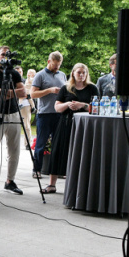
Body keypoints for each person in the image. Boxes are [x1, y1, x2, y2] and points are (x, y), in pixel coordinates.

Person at [41, 63, 98, 194]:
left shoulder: (92, 88)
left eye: (84, 72)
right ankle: (51, 184)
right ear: (73, 73)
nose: (81, 75)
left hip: (84, 126)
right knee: (58, 151)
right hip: (65, 123)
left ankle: (78, 185)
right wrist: (67, 104)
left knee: (80, 153)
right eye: (79, 72)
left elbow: (97, 108)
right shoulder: (66, 88)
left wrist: (82, 105)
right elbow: (57, 107)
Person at [0, 46, 27, 195]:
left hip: (14, 113)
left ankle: (10, 181)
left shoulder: (14, 73)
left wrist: (1, 91)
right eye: (2, 54)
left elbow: (23, 92)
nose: (5, 57)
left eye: (7, 55)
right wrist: (12, 92)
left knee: (14, 151)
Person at [30, 52, 66, 178]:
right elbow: (33, 94)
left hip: (59, 114)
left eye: (59, 65)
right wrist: (50, 90)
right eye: (54, 65)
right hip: (44, 114)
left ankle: (57, 171)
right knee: (41, 143)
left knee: (58, 144)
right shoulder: (40, 75)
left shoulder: (62, 75)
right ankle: (37, 169)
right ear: (48, 61)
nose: (56, 68)